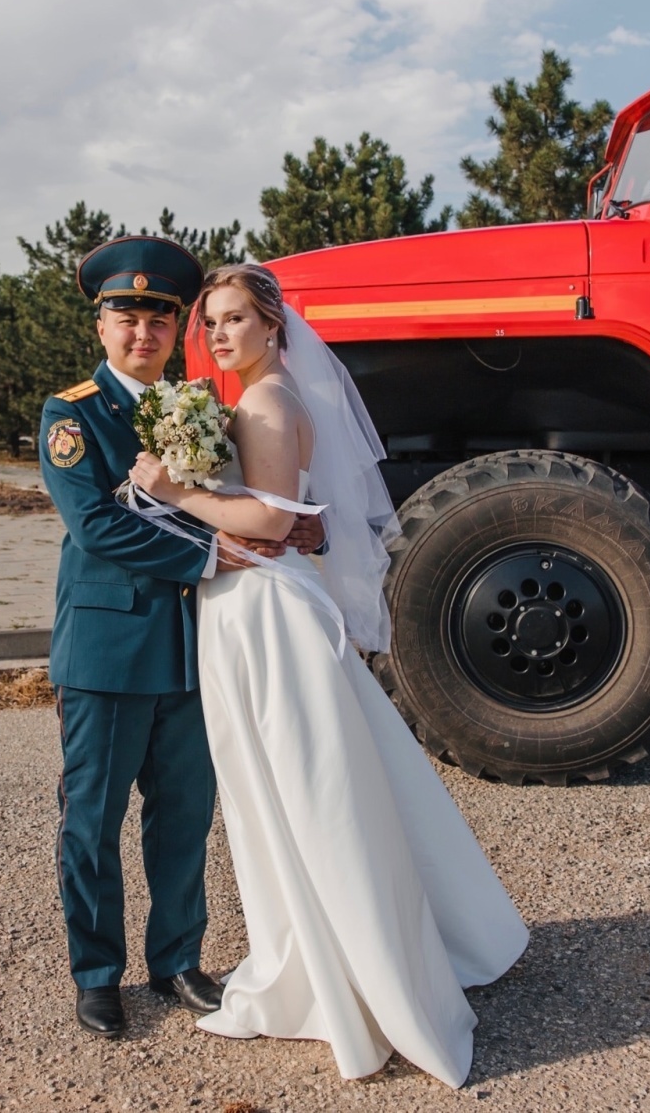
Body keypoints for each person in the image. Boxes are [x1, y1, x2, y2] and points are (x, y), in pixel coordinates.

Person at [128, 262, 528, 1088]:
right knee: (299, 785)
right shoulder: (253, 400)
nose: (221, 334)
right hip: (251, 605)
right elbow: (299, 521)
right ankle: (320, 950)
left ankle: (351, 974)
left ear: (275, 326)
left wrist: (174, 491)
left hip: (266, 614)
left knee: (308, 790)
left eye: (236, 318)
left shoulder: (269, 402)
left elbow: (272, 520)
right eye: (212, 322)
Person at [38, 237, 324, 1040]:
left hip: (196, 645)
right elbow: (95, 525)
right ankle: (98, 973)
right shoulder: (73, 414)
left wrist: (288, 531)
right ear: (101, 323)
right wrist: (212, 551)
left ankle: (176, 959)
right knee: (91, 819)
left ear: (176, 329)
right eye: (128, 317)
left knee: (185, 812)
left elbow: (247, 496)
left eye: (160, 318)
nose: (144, 333)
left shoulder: (196, 405)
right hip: (107, 649)